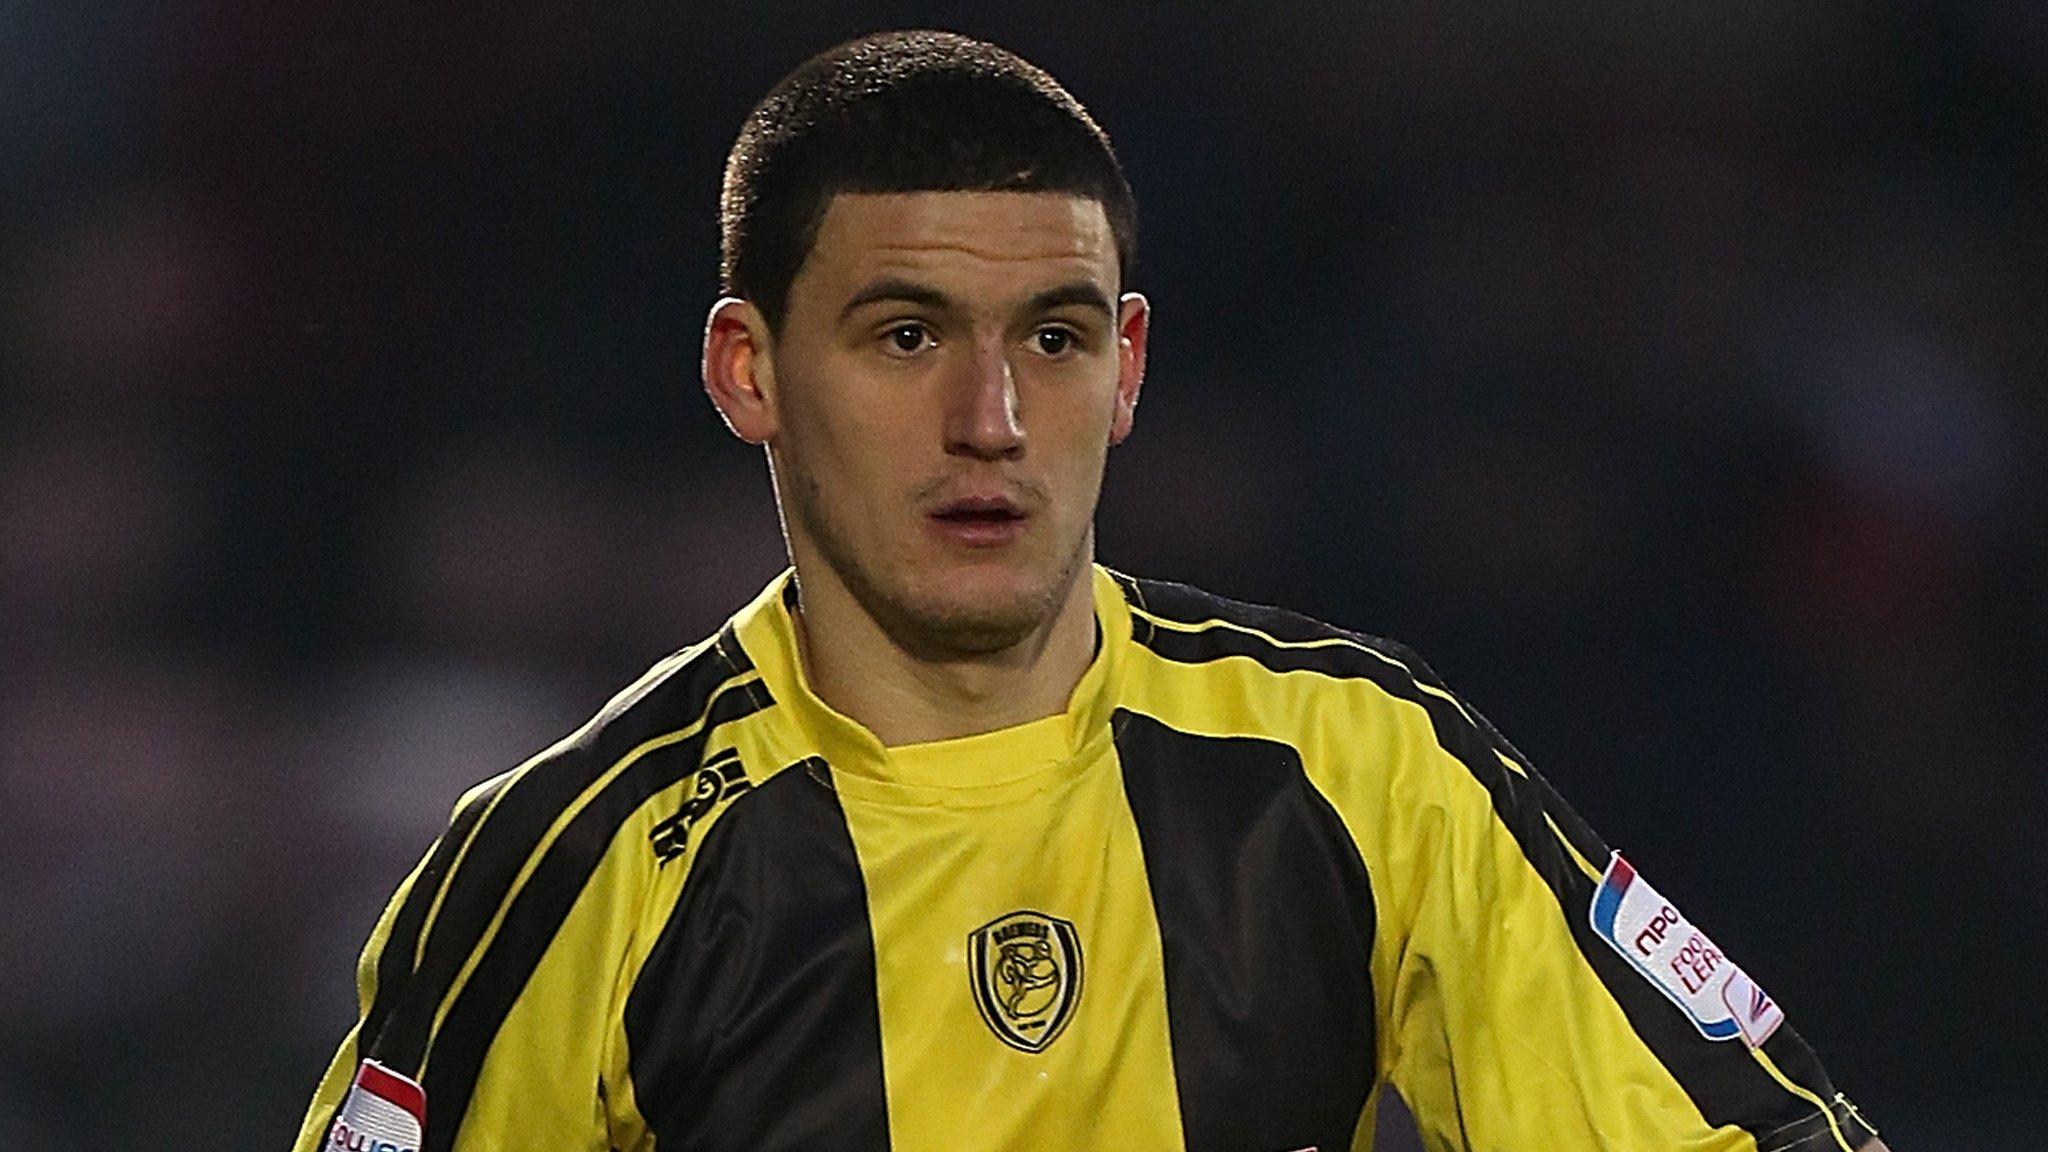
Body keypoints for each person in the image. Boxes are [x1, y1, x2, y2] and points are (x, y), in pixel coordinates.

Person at [292, 29, 1888, 1152]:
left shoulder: (1355, 763)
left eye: (1051, 338)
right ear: (748, 369)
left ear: (1124, 367)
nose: (990, 419)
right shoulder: (575, 864)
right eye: (905, 335)